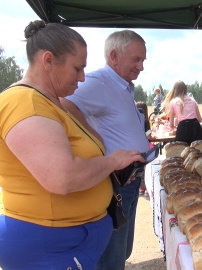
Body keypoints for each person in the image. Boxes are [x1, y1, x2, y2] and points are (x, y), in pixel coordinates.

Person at [0, 20, 144, 269]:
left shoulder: (51, 101)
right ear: (48, 61)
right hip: (49, 246)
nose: (83, 77)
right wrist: (112, 161)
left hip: (68, 244)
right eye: (77, 68)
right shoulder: (25, 102)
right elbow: (62, 177)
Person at [61, 30, 150, 270]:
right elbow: (64, 103)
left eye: (143, 60)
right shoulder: (99, 82)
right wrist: (95, 138)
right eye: (136, 59)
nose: (141, 66)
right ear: (114, 56)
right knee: (111, 257)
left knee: (123, 249)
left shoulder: (121, 85)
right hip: (115, 182)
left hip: (129, 179)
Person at [162, 80, 202, 145]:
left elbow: (171, 125)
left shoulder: (173, 102)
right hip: (196, 127)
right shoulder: (193, 100)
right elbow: (200, 119)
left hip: (183, 128)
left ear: (175, 89)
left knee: (182, 152)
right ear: (185, 89)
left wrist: (176, 127)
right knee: (198, 152)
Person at [135, 101, 151, 196]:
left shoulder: (134, 121)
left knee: (138, 169)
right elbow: (149, 136)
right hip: (144, 148)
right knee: (146, 168)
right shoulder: (145, 121)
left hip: (135, 148)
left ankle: (141, 188)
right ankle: (147, 189)